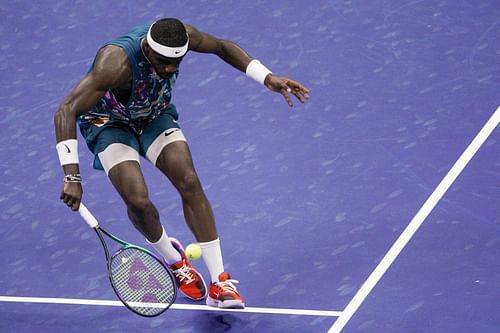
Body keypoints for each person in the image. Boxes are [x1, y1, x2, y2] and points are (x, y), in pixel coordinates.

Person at [54, 18, 309, 309]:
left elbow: (223, 47)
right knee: (137, 200)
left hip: (153, 115)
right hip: (109, 123)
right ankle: (175, 260)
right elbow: (66, 110)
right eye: (164, 63)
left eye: (176, 63)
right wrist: (72, 176)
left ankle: (219, 282)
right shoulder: (115, 62)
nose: (170, 69)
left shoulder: (182, 36)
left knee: (188, 180)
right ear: (148, 49)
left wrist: (267, 77)